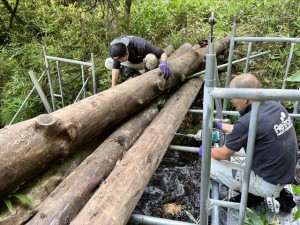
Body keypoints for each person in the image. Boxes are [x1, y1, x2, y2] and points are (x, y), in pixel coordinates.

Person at [199, 73, 298, 211]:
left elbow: (223, 154)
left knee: (208, 163)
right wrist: (219, 125)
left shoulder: (247, 121)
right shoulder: (275, 107)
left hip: (268, 183)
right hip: (283, 174)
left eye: (233, 95)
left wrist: (203, 150)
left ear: (245, 98)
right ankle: (276, 192)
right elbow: (248, 130)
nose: (232, 100)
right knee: (236, 147)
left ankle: (255, 193)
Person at [105, 35, 172, 87]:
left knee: (152, 58)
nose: (121, 61)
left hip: (143, 62)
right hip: (131, 63)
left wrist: (164, 63)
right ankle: (133, 74)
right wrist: (113, 86)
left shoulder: (141, 44)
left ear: (126, 51)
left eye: (121, 59)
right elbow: (116, 69)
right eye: (118, 60)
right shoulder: (117, 48)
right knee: (108, 62)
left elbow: (162, 53)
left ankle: (147, 75)